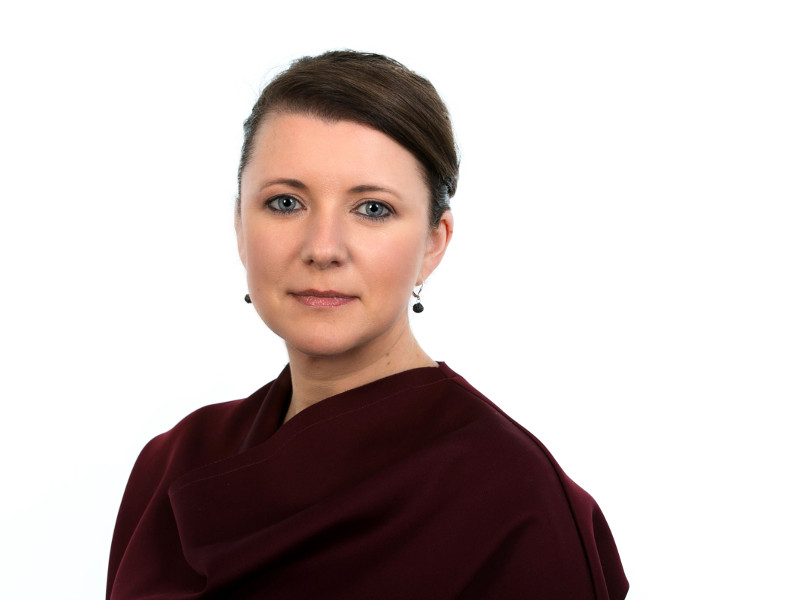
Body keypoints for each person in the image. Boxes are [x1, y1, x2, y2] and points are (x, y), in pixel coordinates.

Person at [107, 50, 628, 599]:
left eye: (373, 209)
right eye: (285, 202)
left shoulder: (513, 500)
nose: (323, 248)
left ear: (434, 242)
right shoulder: (171, 464)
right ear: (240, 225)